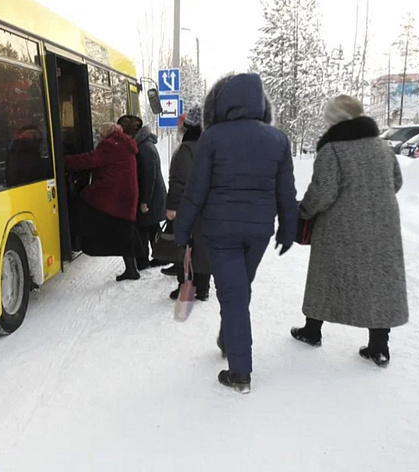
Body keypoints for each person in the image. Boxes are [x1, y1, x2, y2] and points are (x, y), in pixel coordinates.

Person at [175, 73, 297, 393]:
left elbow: (196, 189)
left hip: (220, 230)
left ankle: (240, 372)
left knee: (233, 294)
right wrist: (288, 228)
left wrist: (183, 227)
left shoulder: (213, 137)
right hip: (258, 231)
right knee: (239, 290)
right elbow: (286, 191)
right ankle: (229, 337)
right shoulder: (278, 139)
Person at [290, 95, 409, 368]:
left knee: (326, 277)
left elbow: (322, 193)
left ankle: (312, 331)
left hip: (340, 228)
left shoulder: (333, 150)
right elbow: (397, 182)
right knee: (378, 283)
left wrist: (303, 211)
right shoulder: (381, 147)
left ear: (334, 120)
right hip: (383, 226)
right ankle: (379, 347)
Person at [65, 123, 142, 281]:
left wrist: (63, 161)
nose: (99, 136)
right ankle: (132, 269)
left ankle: (77, 242)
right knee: (125, 229)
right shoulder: (124, 143)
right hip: (126, 193)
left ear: (108, 133)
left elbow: (90, 160)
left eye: (101, 133)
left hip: (111, 192)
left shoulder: (111, 145)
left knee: (79, 203)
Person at [167, 106, 211, 301]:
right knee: (204, 248)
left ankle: (186, 287)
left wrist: (172, 207)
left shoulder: (186, 149)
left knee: (185, 248)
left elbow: (179, 180)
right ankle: (203, 289)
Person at [118, 115, 167, 270]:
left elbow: (148, 176)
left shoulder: (144, 147)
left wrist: (144, 201)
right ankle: (161, 256)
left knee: (143, 228)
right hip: (152, 195)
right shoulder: (144, 144)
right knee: (151, 227)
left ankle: (144, 260)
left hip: (150, 196)